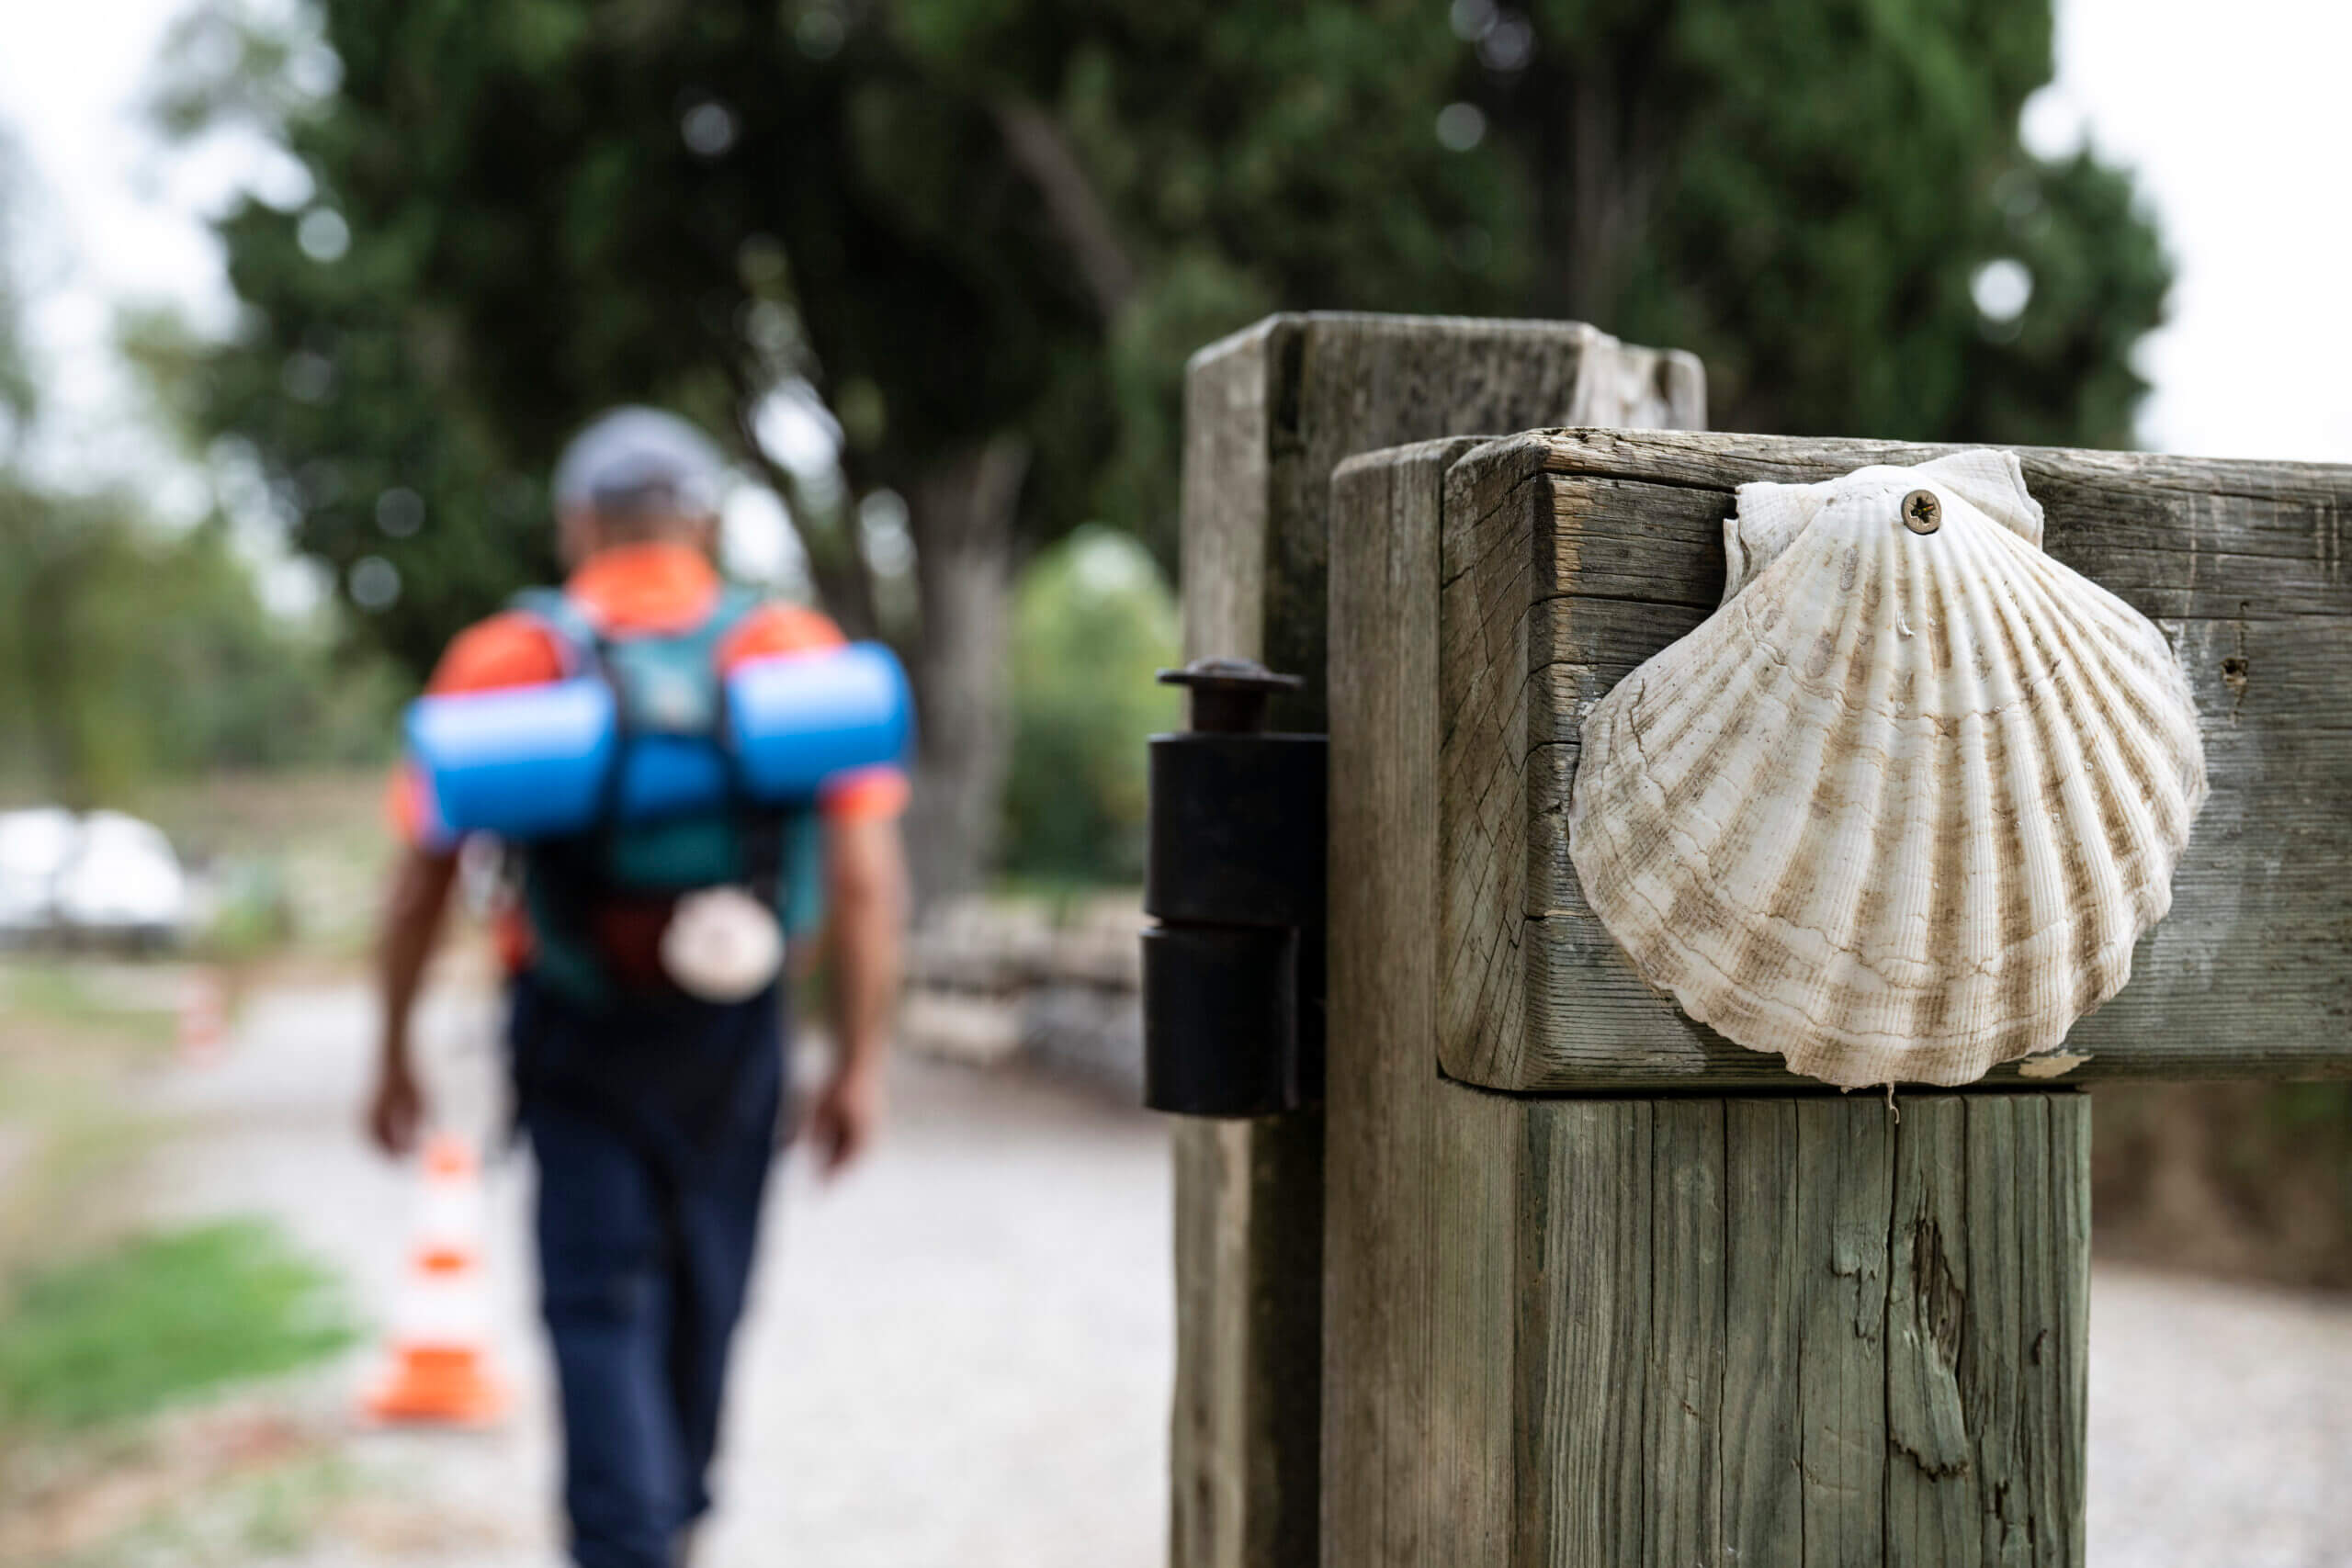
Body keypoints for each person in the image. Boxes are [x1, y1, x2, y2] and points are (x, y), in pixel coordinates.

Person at [365, 407, 909, 1568]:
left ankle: (628, 1541)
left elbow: (418, 883)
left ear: (577, 527)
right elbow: (862, 885)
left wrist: (391, 1050)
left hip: (573, 1025)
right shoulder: (789, 652)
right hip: (736, 1032)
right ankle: (681, 1517)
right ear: (702, 521)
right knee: (710, 1288)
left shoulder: (506, 659)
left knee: (597, 1303)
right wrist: (859, 1062)